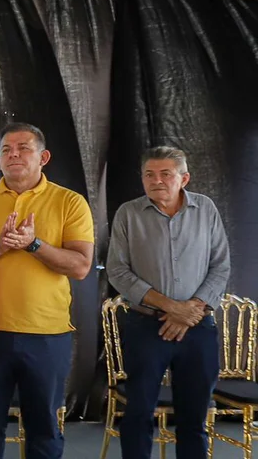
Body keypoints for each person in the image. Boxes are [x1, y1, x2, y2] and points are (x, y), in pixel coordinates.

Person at [0, 122, 94, 459]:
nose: (13, 154)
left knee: (43, 426)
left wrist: (34, 245)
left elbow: (80, 266)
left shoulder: (69, 202)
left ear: (43, 157)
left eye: (23, 148)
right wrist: (1, 247)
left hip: (47, 335)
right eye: (6, 150)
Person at [106, 146, 229, 459]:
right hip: (146, 327)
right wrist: (171, 307)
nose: (156, 180)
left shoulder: (206, 209)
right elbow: (118, 271)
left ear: (184, 178)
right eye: (149, 174)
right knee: (138, 414)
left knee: (193, 419)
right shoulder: (128, 213)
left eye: (165, 174)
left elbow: (221, 265)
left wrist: (191, 310)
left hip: (198, 328)